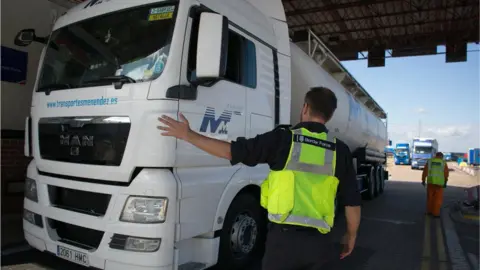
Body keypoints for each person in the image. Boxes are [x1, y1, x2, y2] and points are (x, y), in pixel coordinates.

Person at [157, 86, 362, 269]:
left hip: (283, 244)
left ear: (305, 108)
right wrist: (350, 236)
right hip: (320, 244)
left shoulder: (283, 139)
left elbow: (231, 152)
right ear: (330, 115)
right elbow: (352, 202)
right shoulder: (340, 151)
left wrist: (189, 135)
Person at [422, 152, 449, 217]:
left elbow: (425, 171)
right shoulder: (443, 163)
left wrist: (423, 180)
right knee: (437, 199)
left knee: (430, 198)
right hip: (439, 184)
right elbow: (446, 174)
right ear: (441, 156)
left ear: (436, 155)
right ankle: (435, 213)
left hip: (430, 182)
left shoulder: (430, 161)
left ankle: (429, 212)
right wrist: (445, 182)